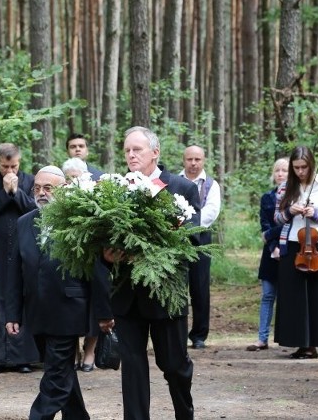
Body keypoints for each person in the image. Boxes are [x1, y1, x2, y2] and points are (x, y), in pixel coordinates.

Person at [96, 126, 200, 420]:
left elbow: (192, 241)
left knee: (175, 366)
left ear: (155, 153)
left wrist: (148, 249)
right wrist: (105, 255)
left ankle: (185, 414)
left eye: (137, 149)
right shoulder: (112, 189)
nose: (130, 155)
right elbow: (99, 239)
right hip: (127, 295)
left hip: (166, 294)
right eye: (127, 150)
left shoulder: (182, 188)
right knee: (132, 367)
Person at [6, 165, 108, 420]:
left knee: (55, 376)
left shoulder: (78, 219)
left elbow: (97, 270)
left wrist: (104, 312)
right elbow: (15, 272)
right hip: (36, 310)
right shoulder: (23, 223)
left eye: (48, 188)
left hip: (69, 308)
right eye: (37, 188)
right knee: (61, 371)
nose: (41, 193)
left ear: (63, 190)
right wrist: (12, 313)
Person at [0, 143, 39, 374]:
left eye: (14, 166)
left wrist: (16, 192)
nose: (10, 171)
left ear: (20, 162)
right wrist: (4, 193)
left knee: (20, 299)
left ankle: (23, 357)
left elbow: (34, 210)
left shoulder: (31, 181)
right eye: (5, 166)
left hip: (23, 248)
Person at [273, 146, 318, 359]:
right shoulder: (285, 187)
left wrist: (316, 214)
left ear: (311, 165)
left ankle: (314, 344)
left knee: (316, 295)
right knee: (294, 296)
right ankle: (299, 342)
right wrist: (290, 211)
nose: (300, 172)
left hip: (317, 245)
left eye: (304, 167)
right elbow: (277, 218)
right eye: (296, 168)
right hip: (292, 245)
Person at [179, 145, 221, 349]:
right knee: (178, 285)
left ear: (203, 160)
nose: (193, 163)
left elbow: (211, 212)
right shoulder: (174, 181)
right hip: (175, 237)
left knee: (200, 286)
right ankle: (177, 330)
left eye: (197, 159)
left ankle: (199, 335)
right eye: (190, 159)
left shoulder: (211, 185)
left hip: (201, 238)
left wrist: (188, 224)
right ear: (183, 160)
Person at [246, 158, 288, 351]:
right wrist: (273, 247)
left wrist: (270, 235)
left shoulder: (296, 197)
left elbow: (287, 225)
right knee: (268, 295)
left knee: (288, 297)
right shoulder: (267, 198)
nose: (280, 174)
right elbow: (265, 225)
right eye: (277, 170)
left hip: (292, 250)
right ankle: (262, 338)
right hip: (271, 252)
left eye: (285, 170)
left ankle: (290, 338)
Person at [61, 157, 98, 372]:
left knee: (93, 305)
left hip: (91, 258)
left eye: (76, 177)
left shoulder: (95, 194)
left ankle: (90, 351)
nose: (72, 182)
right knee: (71, 305)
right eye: (68, 178)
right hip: (68, 259)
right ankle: (73, 351)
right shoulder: (60, 197)